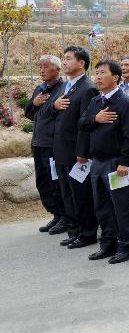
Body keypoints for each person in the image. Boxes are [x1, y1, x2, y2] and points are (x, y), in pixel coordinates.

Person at [79, 59, 129, 264]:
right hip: (97, 162)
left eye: (102, 72)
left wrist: (125, 161)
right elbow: (83, 123)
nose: (97, 76)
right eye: (96, 73)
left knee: (121, 207)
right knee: (102, 206)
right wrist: (96, 119)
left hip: (116, 164)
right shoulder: (96, 101)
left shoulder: (125, 103)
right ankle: (108, 244)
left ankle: (127, 246)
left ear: (115, 77)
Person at [47, 46, 99, 249]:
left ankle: (87, 233)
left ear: (81, 63)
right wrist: (53, 106)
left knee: (80, 194)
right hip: (60, 149)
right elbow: (50, 111)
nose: (65, 62)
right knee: (67, 193)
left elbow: (86, 125)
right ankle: (74, 230)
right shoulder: (65, 86)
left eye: (68, 58)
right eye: (64, 58)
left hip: (76, 153)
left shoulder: (88, 88)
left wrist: (82, 152)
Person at [24, 55, 66, 234]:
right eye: (40, 66)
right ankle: (55, 214)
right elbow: (29, 113)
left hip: (53, 145)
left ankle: (65, 216)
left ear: (57, 69)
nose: (41, 70)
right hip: (39, 143)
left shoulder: (63, 89)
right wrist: (34, 102)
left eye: (45, 66)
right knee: (43, 182)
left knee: (55, 182)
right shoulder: (40, 89)